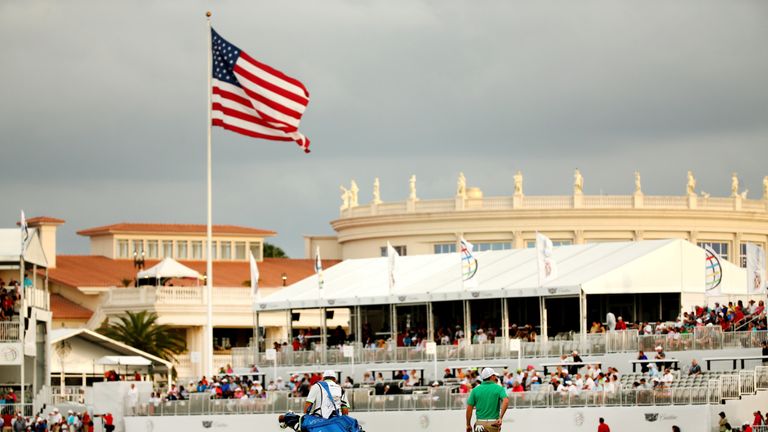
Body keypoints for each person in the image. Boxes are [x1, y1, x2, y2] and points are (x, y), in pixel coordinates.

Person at [465, 368, 508, 432]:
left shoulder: (475, 390)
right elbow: (506, 401)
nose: (495, 377)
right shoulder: (499, 388)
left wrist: (468, 424)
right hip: (493, 423)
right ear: (491, 377)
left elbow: (469, 408)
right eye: (494, 375)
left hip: (479, 423)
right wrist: (500, 418)